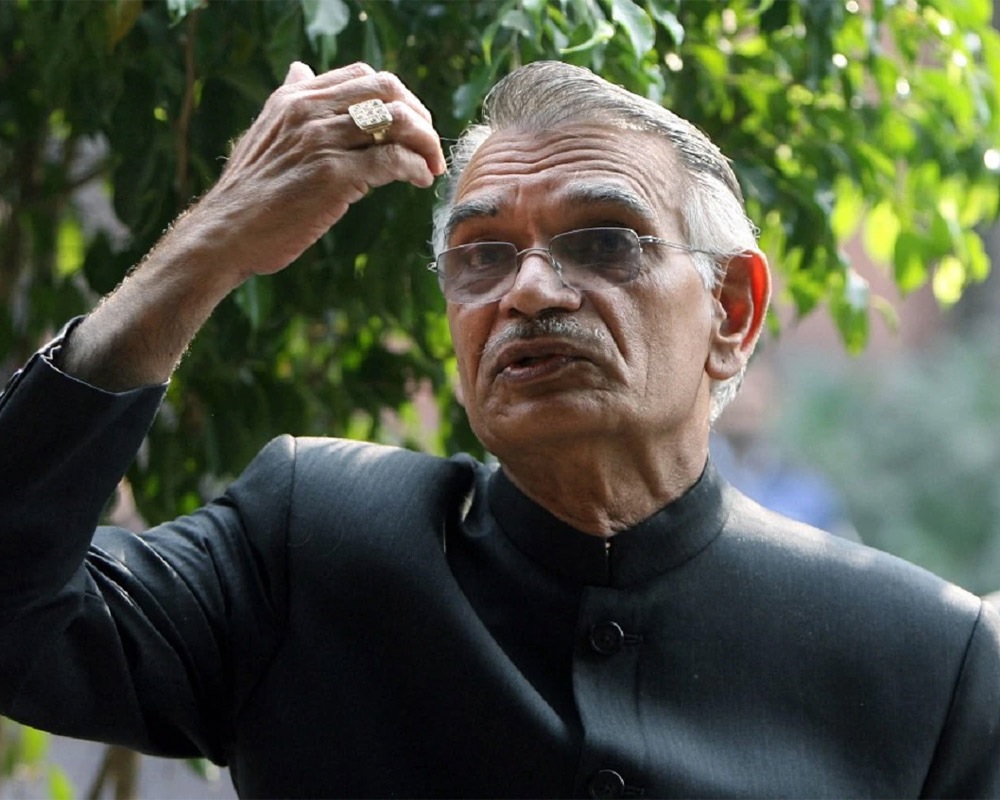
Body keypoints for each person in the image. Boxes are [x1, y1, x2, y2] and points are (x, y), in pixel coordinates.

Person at [0, 60, 997, 799]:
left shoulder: (930, 663)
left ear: (731, 311)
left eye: (601, 241)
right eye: (481, 254)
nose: (529, 290)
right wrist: (210, 246)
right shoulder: (312, 540)